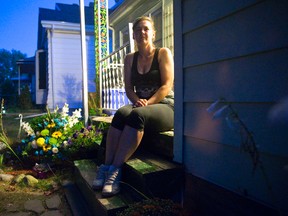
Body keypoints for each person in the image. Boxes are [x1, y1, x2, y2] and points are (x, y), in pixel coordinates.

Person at [92, 16, 174, 197]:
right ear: (134, 35)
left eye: (146, 29)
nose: (142, 32)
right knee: (121, 113)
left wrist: (147, 102)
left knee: (137, 116)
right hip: (140, 104)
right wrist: (137, 100)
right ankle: (105, 167)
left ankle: (115, 170)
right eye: (138, 30)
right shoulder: (130, 58)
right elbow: (128, 88)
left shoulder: (163, 53)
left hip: (165, 106)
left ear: (153, 33)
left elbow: (166, 86)